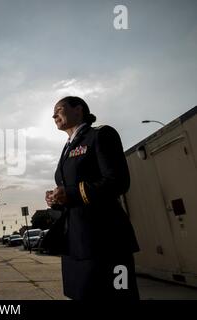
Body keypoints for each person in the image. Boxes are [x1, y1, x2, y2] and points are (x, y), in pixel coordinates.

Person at [45, 96, 140, 300]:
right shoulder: (67, 148)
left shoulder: (100, 134)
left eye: (59, 109)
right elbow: (70, 191)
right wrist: (56, 199)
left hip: (106, 240)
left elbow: (118, 181)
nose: (54, 115)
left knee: (117, 295)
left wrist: (69, 193)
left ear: (78, 110)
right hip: (75, 243)